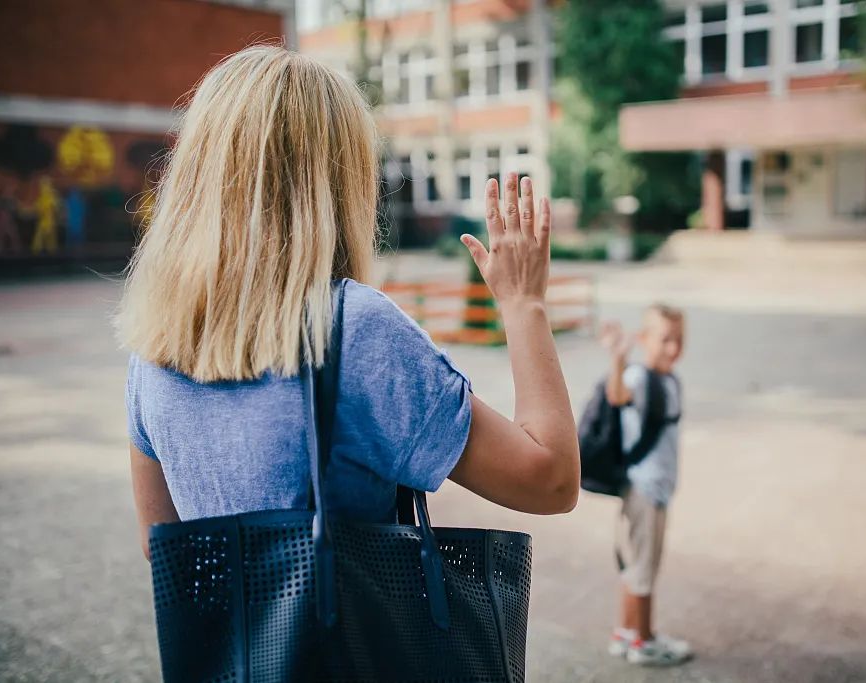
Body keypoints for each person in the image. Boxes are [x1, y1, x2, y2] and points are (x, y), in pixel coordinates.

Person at [117, 45, 579, 560]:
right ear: (337, 184)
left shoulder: (154, 343)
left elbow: (164, 558)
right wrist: (524, 305)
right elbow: (551, 481)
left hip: (218, 643)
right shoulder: (352, 331)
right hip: (354, 644)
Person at [600, 306, 692, 666]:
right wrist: (618, 360)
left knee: (635, 567)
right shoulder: (639, 377)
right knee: (645, 570)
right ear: (644, 340)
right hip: (645, 492)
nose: (673, 348)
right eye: (665, 339)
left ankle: (625, 632)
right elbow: (617, 395)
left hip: (653, 490)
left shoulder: (669, 379)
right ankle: (645, 641)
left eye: (679, 339)